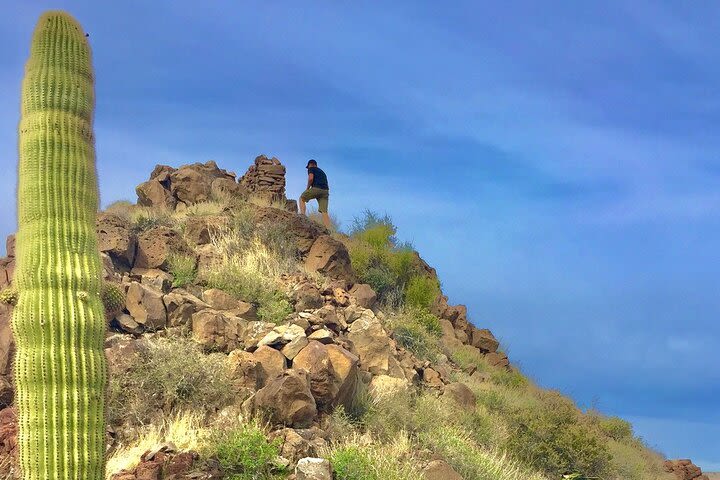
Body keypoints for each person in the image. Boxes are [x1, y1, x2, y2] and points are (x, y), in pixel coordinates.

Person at [299, 159, 331, 228]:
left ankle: (302, 217)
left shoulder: (311, 168)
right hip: (325, 191)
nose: (308, 168)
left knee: (302, 198)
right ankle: (329, 229)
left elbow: (311, 178)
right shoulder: (322, 172)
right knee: (324, 211)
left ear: (310, 164)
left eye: (308, 167)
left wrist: (307, 188)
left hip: (317, 189)